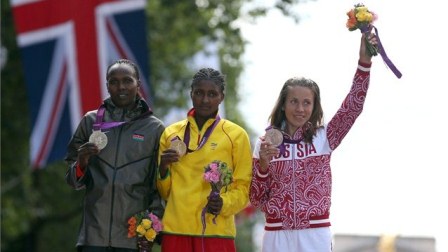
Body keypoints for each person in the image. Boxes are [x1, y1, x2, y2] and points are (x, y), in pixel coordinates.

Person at [249, 33, 378, 252]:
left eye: (306, 103)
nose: (300, 109)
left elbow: (352, 107)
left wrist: (364, 63)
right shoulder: (265, 143)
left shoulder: (324, 137)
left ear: (314, 107)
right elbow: (256, 200)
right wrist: (262, 166)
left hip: (315, 234)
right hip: (275, 234)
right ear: (283, 105)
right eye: (294, 102)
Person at [65, 59, 165, 252]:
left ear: (138, 84)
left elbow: (159, 185)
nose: (121, 87)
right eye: (114, 81)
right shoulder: (90, 121)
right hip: (93, 236)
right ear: (107, 86)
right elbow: (72, 180)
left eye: (127, 80)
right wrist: (82, 162)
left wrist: (152, 228)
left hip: (132, 237)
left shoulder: (155, 128)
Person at [157, 67, 252, 252]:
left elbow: (244, 188)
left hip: (216, 231)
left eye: (212, 94)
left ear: (221, 97)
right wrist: (163, 169)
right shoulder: (170, 133)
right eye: (199, 93)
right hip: (176, 231)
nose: (205, 100)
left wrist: (224, 203)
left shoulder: (236, 135)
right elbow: (165, 193)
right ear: (191, 93)